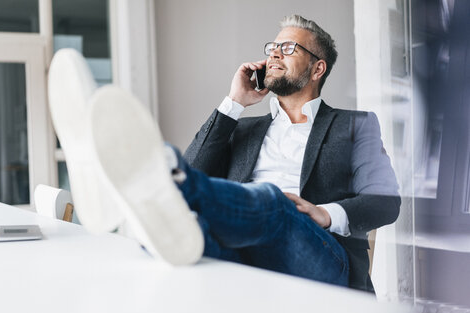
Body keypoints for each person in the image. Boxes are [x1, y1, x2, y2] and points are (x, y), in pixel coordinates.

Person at [48, 15, 400, 293]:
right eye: (272, 47)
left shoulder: (355, 126)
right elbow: (198, 167)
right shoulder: (245, 128)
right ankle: (141, 195)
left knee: (272, 200)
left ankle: (139, 182)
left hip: (322, 260)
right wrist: (233, 105)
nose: (274, 53)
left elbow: (386, 201)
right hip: (244, 253)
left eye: (289, 48)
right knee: (181, 236)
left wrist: (324, 213)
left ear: (317, 68)